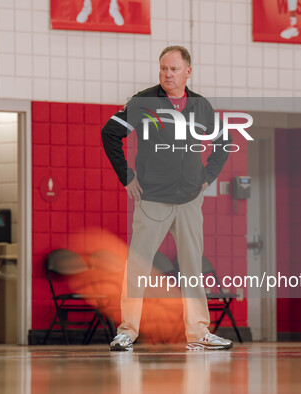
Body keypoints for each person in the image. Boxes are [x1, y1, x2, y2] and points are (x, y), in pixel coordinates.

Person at [101, 46, 234, 351]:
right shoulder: (142, 102)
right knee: (137, 266)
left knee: (192, 268)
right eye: (163, 68)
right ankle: (127, 331)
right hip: (153, 200)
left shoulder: (201, 106)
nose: (167, 74)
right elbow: (109, 133)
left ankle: (199, 331)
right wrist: (127, 176)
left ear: (188, 72)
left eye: (174, 69)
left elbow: (223, 141)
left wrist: (207, 177)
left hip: (189, 200)